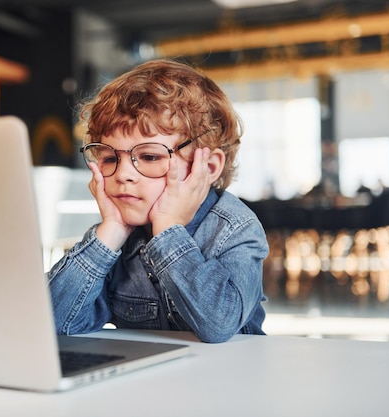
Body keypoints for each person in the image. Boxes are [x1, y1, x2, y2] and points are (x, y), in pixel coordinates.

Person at [47, 59, 269, 343]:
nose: (123, 174)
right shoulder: (115, 234)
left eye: (150, 156)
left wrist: (167, 228)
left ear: (208, 167)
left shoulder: (235, 228)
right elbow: (52, 322)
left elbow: (218, 324)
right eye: (110, 158)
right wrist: (111, 231)